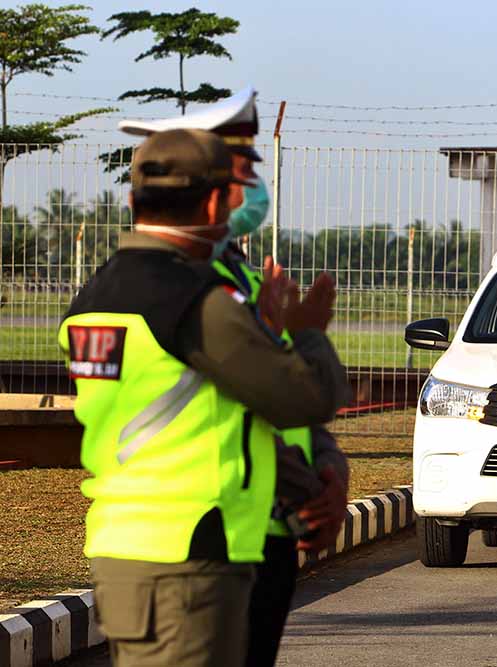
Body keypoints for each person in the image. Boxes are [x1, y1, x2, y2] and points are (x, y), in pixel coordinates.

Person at [58, 129, 343, 667]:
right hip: (193, 550)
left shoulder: (95, 297)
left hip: (128, 542)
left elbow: (200, 419)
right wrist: (305, 331)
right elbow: (304, 400)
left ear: (132, 198)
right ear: (216, 201)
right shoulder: (194, 302)